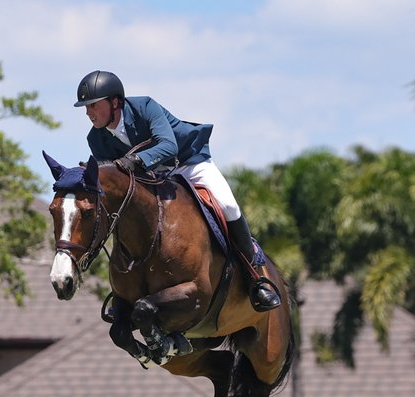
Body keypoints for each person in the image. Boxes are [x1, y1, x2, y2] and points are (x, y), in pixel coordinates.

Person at [73, 70, 281, 312]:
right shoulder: (96, 138)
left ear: (115, 102)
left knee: (228, 206)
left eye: (93, 106)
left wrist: (135, 162)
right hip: (151, 178)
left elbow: (169, 146)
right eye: (86, 108)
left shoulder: (145, 108)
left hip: (187, 162)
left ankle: (255, 279)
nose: (88, 113)